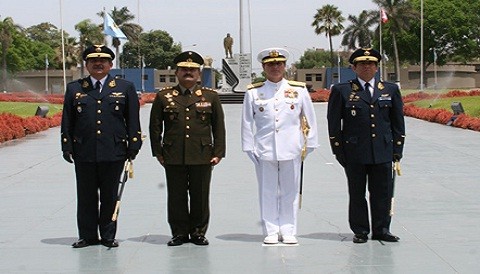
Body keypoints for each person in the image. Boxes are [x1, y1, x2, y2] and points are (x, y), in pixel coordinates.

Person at [61, 45, 142, 248]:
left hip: (113, 151)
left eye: (103, 61)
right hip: (84, 151)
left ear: (110, 64)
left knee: (109, 195)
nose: (98, 64)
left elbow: (132, 119)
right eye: (93, 61)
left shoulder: (124, 88)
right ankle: (87, 236)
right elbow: (67, 121)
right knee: (86, 196)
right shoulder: (75, 88)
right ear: (87, 65)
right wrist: (67, 145)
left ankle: (107, 235)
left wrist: (134, 144)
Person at [327, 48, 406, 244]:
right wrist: (338, 150)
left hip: (383, 150)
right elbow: (334, 123)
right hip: (355, 151)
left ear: (377, 67)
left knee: (382, 192)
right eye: (362, 64)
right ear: (354, 68)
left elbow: (397, 122)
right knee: (357, 193)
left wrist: (397, 149)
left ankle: (382, 229)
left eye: (371, 63)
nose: (367, 67)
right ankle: (360, 230)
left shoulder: (390, 89)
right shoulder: (342, 90)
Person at [241, 47, 318, 245]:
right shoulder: (254, 92)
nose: (275, 67)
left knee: (290, 190)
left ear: (284, 66)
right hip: (264, 149)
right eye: (270, 64)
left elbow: (310, 119)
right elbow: (247, 121)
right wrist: (249, 147)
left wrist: (308, 146)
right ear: (263, 67)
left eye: (278, 64)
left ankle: (289, 229)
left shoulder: (298, 90)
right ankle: (271, 230)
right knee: (266, 191)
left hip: (292, 148)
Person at [149, 51, 226, 246]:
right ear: (177, 72)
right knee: (176, 196)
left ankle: (198, 232)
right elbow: (155, 127)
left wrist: (218, 153)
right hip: (173, 154)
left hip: (202, 154)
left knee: (200, 195)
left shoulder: (210, 96)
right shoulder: (164, 96)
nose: (188, 73)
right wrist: (158, 152)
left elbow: (218, 126)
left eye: (192, 70)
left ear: (199, 73)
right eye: (184, 69)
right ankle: (179, 233)